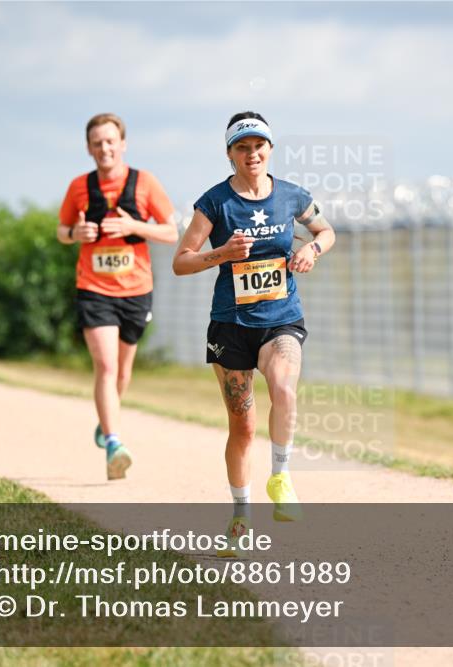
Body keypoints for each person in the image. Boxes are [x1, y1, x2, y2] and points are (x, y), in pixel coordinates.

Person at [173, 112, 335, 555]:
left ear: (270, 149)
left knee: (284, 387)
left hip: (281, 318)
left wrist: (312, 249)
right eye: (242, 147)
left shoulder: (292, 196)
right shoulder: (214, 203)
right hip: (231, 326)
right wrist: (223, 253)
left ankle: (280, 477)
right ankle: (240, 519)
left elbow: (326, 231)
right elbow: (181, 261)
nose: (252, 154)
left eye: (259, 145)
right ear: (230, 154)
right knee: (242, 427)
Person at [58, 113, 178, 480]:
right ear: (88, 148)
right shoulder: (79, 187)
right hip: (94, 289)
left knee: (123, 372)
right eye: (97, 143)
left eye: (110, 141)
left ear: (123, 144)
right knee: (106, 367)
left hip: (136, 291)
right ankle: (114, 443)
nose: (104, 148)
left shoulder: (145, 183)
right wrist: (75, 233)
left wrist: (132, 225)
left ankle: (106, 419)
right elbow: (62, 230)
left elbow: (171, 232)